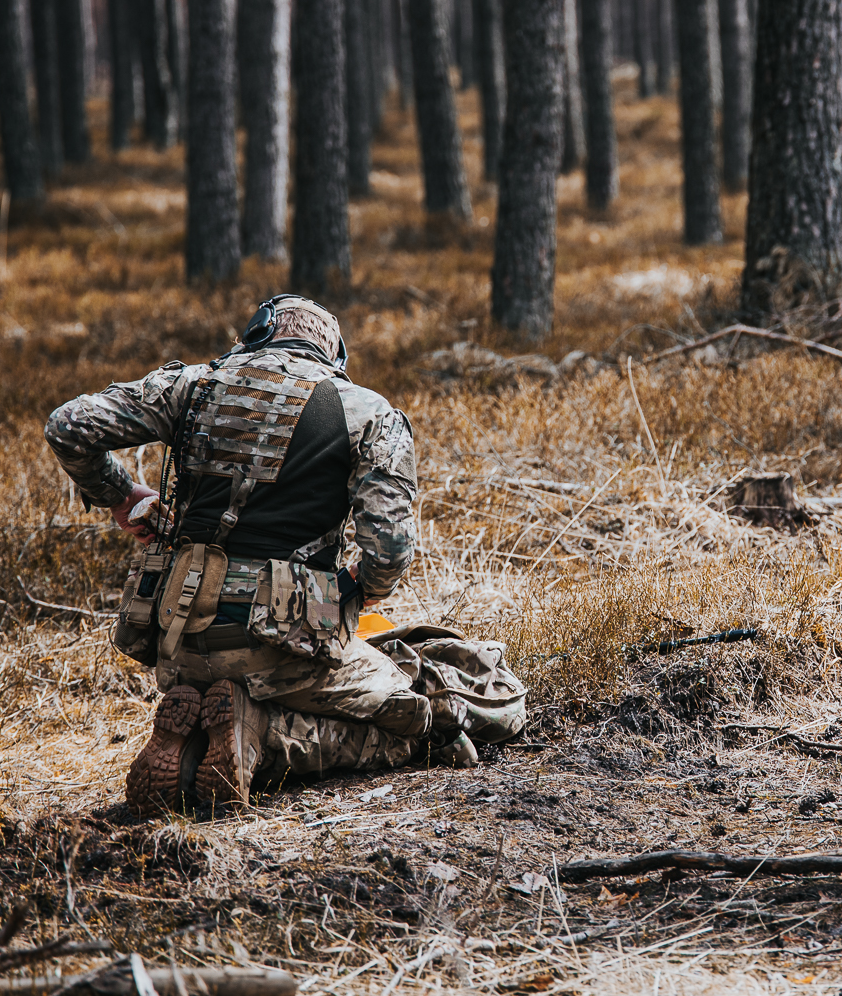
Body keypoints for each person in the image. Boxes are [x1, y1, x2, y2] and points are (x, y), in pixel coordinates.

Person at [47, 295, 506, 815]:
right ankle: (261, 738)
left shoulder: (190, 386)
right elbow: (389, 555)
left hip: (179, 649)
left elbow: (67, 425)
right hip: (287, 652)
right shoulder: (366, 411)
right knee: (418, 721)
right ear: (334, 354)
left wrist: (122, 494)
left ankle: (201, 734)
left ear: (257, 332)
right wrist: (350, 591)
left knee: (224, 679)